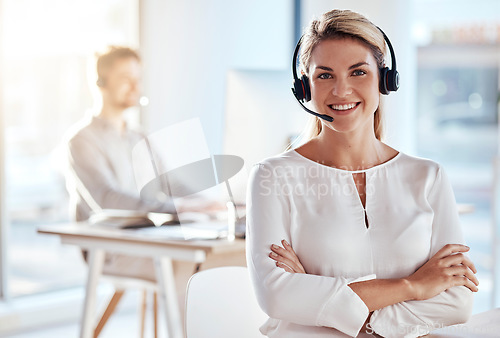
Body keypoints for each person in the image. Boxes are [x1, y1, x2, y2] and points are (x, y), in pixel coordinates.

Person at [246, 9, 479, 338]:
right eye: (325, 75)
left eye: (358, 72)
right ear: (304, 87)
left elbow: (457, 301)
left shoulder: (429, 177)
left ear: (385, 80)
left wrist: (324, 303)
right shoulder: (272, 176)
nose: (341, 91)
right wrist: (414, 285)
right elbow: (277, 295)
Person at [64, 46, 215, 280]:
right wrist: (178, 207)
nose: (136, 87)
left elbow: (170, 183)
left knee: (221, 257)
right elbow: (107, 198)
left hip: (147, 237)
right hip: (111, 247)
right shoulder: (82, 141)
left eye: (138, 79)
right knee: (195, 268)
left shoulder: (139, 137)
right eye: (126, 79)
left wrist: (212, 205)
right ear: (101, 82)